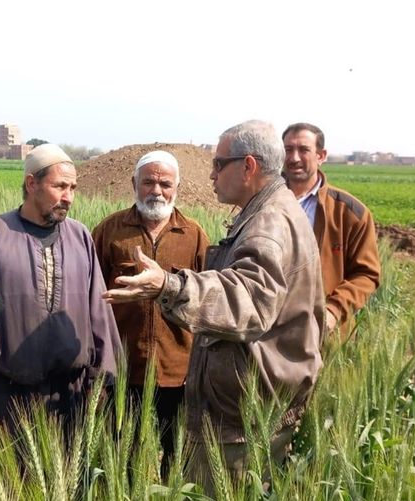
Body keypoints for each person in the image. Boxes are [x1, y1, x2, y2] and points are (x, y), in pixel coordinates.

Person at [103, 120, 324, 491]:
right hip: (241, 404)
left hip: (245, 413)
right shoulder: (272, 212)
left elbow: (248, 300)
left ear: (248, 166)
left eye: (219, 164)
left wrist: (168, 285)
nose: (211, 174)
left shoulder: (268, 223)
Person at [0, 143, 122, 433]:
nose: (68, 197)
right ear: (32, 184)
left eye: (73, 188)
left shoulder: (80, 235)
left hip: (71, 397)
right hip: (8, 398)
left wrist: (102, 375)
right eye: (60, 186)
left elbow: (99, 309)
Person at [91, 150, 209, 473]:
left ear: (176, 189)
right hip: (124, 371)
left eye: (165, 184)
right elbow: (90, 297)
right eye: (148, 182)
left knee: (177, 461)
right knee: (122, 461)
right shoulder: (110, 231)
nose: (156, 191)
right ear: (134, 184)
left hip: (178, 373)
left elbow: (207, 298)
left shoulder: (194, 235)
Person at [282, 122, 380, 338]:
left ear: (321, 156)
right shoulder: (262, 203)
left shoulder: (350, 212)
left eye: (304, 150)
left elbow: (366, 274)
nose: (294, 158)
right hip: (266, 332)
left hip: (321, 334)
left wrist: (334, 310)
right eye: (288, 150)